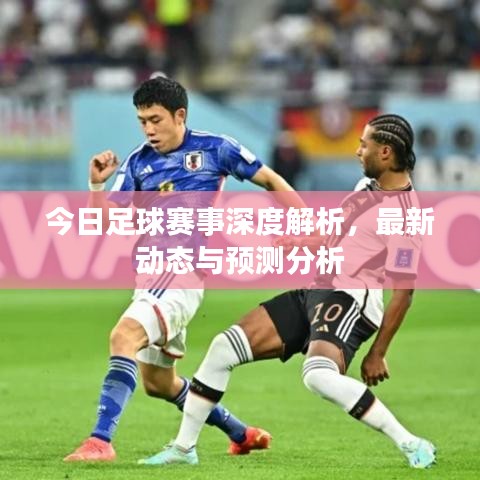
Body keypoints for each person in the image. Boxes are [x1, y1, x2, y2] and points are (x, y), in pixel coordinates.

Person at [141, 114, 437, 469]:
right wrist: (299, 242)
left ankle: (411, 442)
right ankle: (183, 449)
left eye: (364, 145)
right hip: (316, 291)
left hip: (350, 300)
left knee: (318, 375)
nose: (358, 151)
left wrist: (378, 352)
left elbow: (404, 292)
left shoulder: (404, 216)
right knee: (223, 348)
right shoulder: (366, 186)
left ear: (385, 152)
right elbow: (337, 237)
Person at [64, 76, 305, 462]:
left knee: (122, 337)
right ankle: (240, 433)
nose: (148, 129)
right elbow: (101, 223)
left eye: (155, 120)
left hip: (178, 273)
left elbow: (270, 179)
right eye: (142, 121)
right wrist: (95, 185)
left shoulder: (216, 148)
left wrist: (306, 224)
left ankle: (100, 442)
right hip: (150, 278)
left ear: (179, 115)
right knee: (159, 384)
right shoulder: (138, 162)